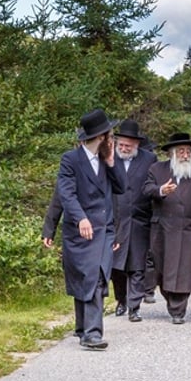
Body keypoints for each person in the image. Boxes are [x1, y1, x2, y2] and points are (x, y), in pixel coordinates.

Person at [56, 109, 124, 350]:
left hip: (103, 230)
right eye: (111, 134)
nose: (113, 138)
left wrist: (113, 162)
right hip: (81, 230)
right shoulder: (71, 160)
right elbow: (65, 193)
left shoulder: (107, 161)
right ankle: (84, 327)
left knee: (98, 276)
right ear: (102, 136)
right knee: (84, 277)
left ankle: (92, 333)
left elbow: (121, 188)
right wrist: (80, 218)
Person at [143, 132, 191, 324]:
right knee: (162, 269)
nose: (185, 155)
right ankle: (170, 299)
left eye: (188, 151)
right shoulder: (157, 169)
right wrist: (161, 190)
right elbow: (146, 189)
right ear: (172, 153)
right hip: (162, 229)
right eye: (181, 151)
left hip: (188, 229)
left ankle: (178, 309)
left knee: (185, 269)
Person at [109, 119, 157, 322]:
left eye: (128, 145)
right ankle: (121, 300)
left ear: (137, 145)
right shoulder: (109, 157)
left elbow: (153, 185)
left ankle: (135, 307)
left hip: (140, 220)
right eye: (121, 144)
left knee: (137, 266)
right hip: (115, 219)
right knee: (116, 267)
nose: (124, 148)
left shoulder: (149, 159)